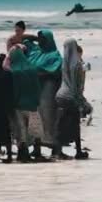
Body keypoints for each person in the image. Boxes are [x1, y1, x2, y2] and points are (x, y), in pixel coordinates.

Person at [24, 29, 63, 159]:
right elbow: (18, 40)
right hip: (35, 92)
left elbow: (55, 71)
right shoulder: (35, 52)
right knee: (35, 120)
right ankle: (36, 149)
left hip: (48, 93)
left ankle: (56, 149)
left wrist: (38, 72)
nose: (40, 42)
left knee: (50, 120)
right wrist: (35, 37)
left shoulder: (55, 55)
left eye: (43, 39)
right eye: (39, 39)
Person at [5, 45, 41, 162]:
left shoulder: (14, 72)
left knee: (21, 129)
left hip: (19, 104)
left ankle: (23, 152)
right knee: (34, 129)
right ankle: (36, 151)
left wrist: (7, 57)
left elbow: (5, 67)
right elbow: (37, 87)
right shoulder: (32, 69)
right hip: (32, 104)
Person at [55, 38, 89, 160]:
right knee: (75, 125)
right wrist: (83, 103)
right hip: (70, 97)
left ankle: (58, 152)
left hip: (60, 96)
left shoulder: (64, 63)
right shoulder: (77, 65)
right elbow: (77, 87)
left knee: (61, 125)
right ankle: (78, 151)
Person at [77, 45, 94, 125]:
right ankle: (86, 111)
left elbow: (83, 74)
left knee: (79, 99)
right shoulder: (78, 62)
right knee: (79, 99)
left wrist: (82, 85)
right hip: (78, 84)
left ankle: (87, 110)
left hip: (79, 84)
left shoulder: (81, 63)